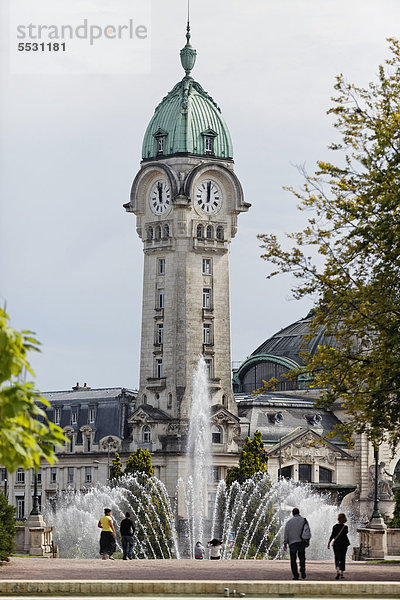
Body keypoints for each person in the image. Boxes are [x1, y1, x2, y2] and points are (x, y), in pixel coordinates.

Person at [283, 507, 311, 580]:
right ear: (299, 513)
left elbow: (286, 533)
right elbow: (307, 531)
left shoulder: (289, 522)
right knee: (302, 556)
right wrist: (308, 541)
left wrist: (285, 543)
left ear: (292, 513)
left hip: (292, 543)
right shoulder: (304, 520)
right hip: (301, 541)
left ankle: (295, 575)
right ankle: (302, 567)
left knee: (293, 559)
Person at [328, 513, 350, 579]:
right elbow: (346, 533)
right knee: (343, 558)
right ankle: (342, 573)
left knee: (337, 557)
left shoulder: (335, 527)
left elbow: (332, 535)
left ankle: (337, 570)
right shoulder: (345, 527)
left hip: (337, 544)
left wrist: (329, 542)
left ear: (338, 519)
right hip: (344, 544)